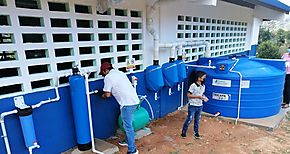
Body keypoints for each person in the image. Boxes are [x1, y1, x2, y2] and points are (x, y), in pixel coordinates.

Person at [99, 62, 139, 154]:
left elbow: (108, 95)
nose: (103, 76)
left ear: (105, 70)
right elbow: (118, 89)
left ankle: (132, 150)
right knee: (127, 124)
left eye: (103, 73)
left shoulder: (108, 77)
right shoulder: (120, 73)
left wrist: (102, 95)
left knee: (128, 126)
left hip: (127, 104)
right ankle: (127, 141)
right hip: (134, 101)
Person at [181, 71, 208, 139]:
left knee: (197, 120)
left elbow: (201, 94)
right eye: (203, 77)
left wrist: (203, 98)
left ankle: (196, 133)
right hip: (193, 105)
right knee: (190, 119)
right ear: (199, 78)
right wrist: (198, 97)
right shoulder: (193, 85)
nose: (204, 78)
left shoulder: (203, 86)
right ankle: (183, 132)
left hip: (200, 105)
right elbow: (188, 95)